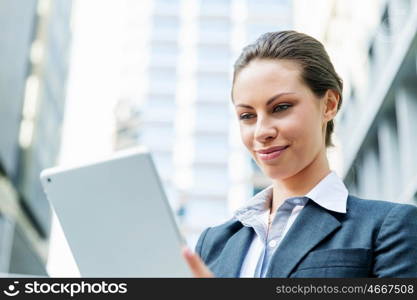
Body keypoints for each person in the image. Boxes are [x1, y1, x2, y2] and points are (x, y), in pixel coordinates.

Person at [181, 30, 417, 278]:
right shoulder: (214, 244)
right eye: (247, 116)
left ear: (328, 105)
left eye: (281, 107)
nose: (262, 131)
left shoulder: (388, 227)